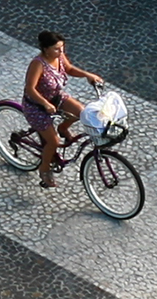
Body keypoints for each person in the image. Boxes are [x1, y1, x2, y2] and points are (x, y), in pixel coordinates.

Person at [22, 31, 102, 188]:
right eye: (57, 49)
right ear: (45, 49)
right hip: (36, 106)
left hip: (55, 97)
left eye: (62, 48)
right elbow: (30, 89)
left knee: (82, 112)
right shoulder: (37, 64)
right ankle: (44, 168)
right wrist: (45, 103)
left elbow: (70, 69)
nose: (61, 52)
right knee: (54, 141)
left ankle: (63, 127)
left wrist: (88, 75)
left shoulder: (59, 57)